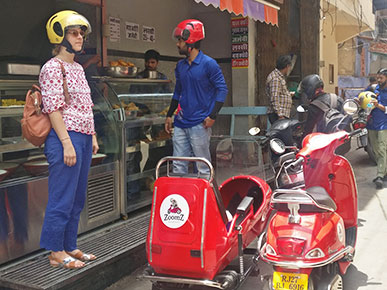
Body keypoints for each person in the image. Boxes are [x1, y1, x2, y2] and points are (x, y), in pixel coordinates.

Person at [39, 10, 99, 269]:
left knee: (77, 197)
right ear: (59, 36)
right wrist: (66, 143)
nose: (79, 38)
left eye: (81, 34)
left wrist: (93, 135)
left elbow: (86, 104)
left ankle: (70, 245)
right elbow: (53, 108)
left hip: (83, 137)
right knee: (62, 197)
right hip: (66, 137)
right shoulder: (52, 68)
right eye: (74, 33)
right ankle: (55, 251)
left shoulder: (77, 68)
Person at [165, 19, 228, 175]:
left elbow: (222, 89)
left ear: (190, 41)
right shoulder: (181, 66)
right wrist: (169, 114)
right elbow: (178, 91)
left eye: (180, 40)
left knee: (203, 167)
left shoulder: (209, 64)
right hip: (180, 122)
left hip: (200, 124)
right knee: (178, 166)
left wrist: (212, 115)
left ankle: (204, 199)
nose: (177, 44)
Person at [298, 74, 345, 138]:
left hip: (325, 142)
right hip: (342, 139)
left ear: (309, 89)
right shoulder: (337, 98)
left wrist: (301, 142)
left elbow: (309, 130)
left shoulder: (314, 106)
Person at [367, 68, 387, 189]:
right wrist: (359, 100)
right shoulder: (374, 89)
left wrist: (378, 106)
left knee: (381, 148)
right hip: (372, 124)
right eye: (378, 77)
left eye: (381, 78)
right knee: (375, 150)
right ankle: (384, 172)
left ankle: (379, 175)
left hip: (384, 124)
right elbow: (365, 100)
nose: (378, 80)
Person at [266, 55, 293, 124]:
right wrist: (280, 115)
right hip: (278, 116)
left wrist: (288, 95)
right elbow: (274, 97)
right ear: (287, 66)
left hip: (282, 114)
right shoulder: (276, 78)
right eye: (289, 67)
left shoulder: (279, 77)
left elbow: (278, 93)